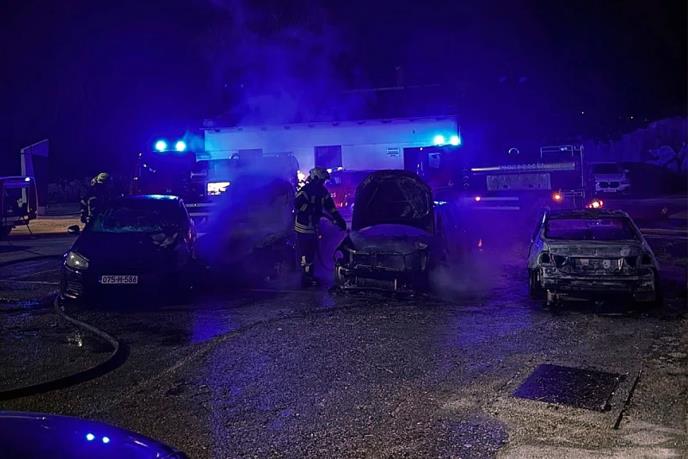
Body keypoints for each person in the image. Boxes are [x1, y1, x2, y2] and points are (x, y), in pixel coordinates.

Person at [294, 167, 347, 287]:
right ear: (315, 178)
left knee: (312, 252)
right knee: (305, 254)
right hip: (303, 227)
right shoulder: (305, 191)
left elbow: (331, 208)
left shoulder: (323, 192)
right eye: (321, 180)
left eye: (323, 181)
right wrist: (314, 211)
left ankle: (310, 276)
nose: (322, 183)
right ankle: (304, 278)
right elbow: (297, 206)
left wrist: (340, 220)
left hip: (313, 227)